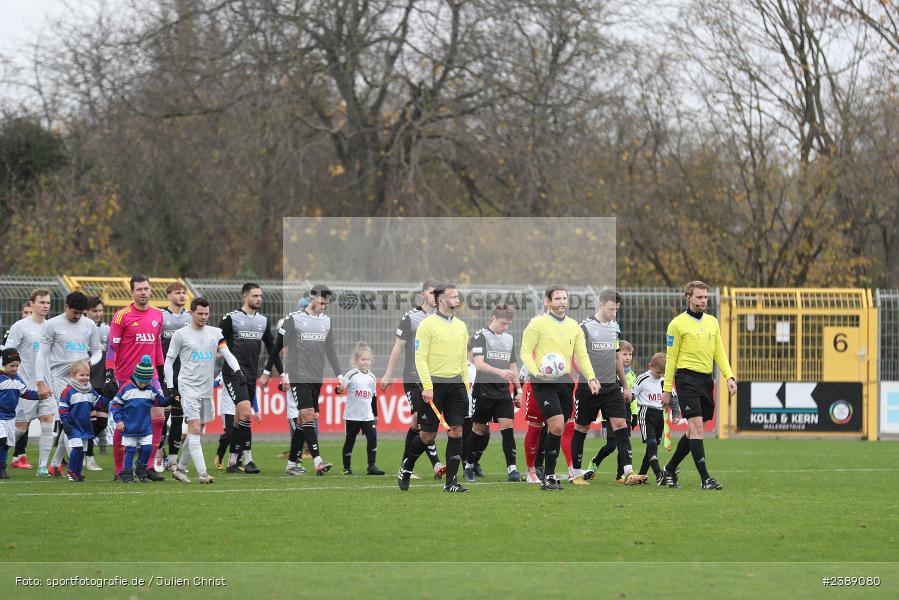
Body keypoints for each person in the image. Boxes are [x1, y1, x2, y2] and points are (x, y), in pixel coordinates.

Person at [519, 286, 600, 491]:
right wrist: (536, 372)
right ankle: (548, 477)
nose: (562, 302)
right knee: (555, 425)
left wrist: (590, 377)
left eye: (564, 298)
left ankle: (550, 476)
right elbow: (525, 352)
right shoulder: (537, 325)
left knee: (560, 427)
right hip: (543, 381)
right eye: (557, 298)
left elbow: (581, 355)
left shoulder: (574, 327)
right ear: (548, 301)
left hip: (565, 381)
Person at [659, 281, 737, 490]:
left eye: (705, 297)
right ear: (689, 298)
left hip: (705, 380)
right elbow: (671, 359)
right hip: (686, 379)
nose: (704, 300)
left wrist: (729, 376)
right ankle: (706, 479)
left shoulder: (712, 322)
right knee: (697, 427)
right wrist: (667, 389)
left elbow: (719, 351)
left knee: (693, 431)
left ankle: (669, 468)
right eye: (699, 297)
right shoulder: (677, 324)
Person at [398, 283, 471, 493]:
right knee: (427, 436)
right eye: (453, 297)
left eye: (458, 296)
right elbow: (419, 358)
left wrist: (465, 387)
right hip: (434, 386)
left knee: (456, 432)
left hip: (456, 385)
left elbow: (462, 360)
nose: (457, 300)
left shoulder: (461, 326)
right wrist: (428, 386)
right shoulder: (427, 325)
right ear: (440, 300)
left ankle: (451, 482)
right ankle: (407, 467)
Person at [166, 297, 243, 484]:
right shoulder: (181, 335)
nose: (203, 317)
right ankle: (202, 474)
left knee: (196, 432)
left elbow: (227, 353)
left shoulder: (215, 333)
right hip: (188, 389)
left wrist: (238, 370)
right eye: (199, 313)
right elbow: (169, 361)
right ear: (191, 313)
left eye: (206, 314)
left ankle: (181, 469)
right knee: (193, 428)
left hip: (206, 390)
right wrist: (171, 387)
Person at [267, 284, 341, 476]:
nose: (324, 306)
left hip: (316, 377)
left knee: (303, 420)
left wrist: (339, 375)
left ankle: (291, 464)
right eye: (322, 302)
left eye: (327, 303)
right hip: (297, 376)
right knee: (308, 415)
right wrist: (272, 372)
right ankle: (318, 461)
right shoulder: (294, 319)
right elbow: (276, 347)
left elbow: (330, 350)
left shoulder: (326, 321)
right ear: (313, 297)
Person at [572, 290, 644, 486]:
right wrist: (590, 378)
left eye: (617, 310)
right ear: (601, 305)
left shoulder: (614, 327)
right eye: (611, 309)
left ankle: (628, 472)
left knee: (621, 424)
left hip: (611, 386)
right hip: (589, 387)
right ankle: (576, 473)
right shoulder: (584, 327)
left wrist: (626, 386)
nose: (614, 313)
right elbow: (577, 357)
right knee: (582, 427)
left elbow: (616, 357)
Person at [103, 276, 166, 481]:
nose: (143, 292)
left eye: (146, 288)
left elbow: (156, 344)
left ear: (150, 290)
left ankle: (146, 467)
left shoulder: (158, 315)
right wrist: (109, 373)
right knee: (125, 424)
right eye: (139, 289)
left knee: (159, 418)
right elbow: (113, 347)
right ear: (132, 292)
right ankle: (121, 469)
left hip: (151, 376)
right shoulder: (122, 316)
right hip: (126, 377)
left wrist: (161, 372)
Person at [380, 280, 445, 479]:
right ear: (423, 294)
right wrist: (388, 374)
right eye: (432, 292)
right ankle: (436, 464)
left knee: (418, 425)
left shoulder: (443, 319)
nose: (435, 297)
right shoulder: (410, 317)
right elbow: (398, 347)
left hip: (435, 378)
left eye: (438, 294)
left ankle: (405, 465)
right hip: (413, 377)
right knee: (418, 416)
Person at [36, 292, 102, 477]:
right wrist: (40, 382)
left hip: (82, 378)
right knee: (69, 420)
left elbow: (97, 351)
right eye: (75, 312)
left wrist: (89, 363)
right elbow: (41, 354)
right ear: (67, 307)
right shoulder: (52, 325)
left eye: (81, 313)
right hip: (60, 378)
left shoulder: (89, 324)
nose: (78, 316)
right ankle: (74, 467)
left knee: (75, 421)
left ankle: (56, 464)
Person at [221, 283, 280, 474]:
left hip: (252, 374)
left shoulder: (263, 321)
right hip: (233, 373)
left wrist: (270, 372)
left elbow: (272, 349)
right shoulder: (231, 318)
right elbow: (217, 342)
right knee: (246, 413)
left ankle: (232, 461)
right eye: (255, 296)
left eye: (260, 296)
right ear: (244, 297)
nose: (259, 299)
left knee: (241, 416)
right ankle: (248, 460)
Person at [464, 304, 523, 482]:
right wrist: (500, 372)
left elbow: (512, 365)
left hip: (503, 391)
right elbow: (479, 363)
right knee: (479, 430)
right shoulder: (480, 336)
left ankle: (512, 470)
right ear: (493, 318)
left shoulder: (509, 339)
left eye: (508, 324)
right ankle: (468, 465)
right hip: (484, 390)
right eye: (503, 323)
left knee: (507, 428)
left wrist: (518, 389)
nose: (505, 327)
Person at [3, 289, 52, 470]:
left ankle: (43, 467)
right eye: (41, 302)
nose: (45, 305)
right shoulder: (20, 327)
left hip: (47, 385)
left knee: (47, 422)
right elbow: (8, 354)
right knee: (21, 428)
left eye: (47, 302)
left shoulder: (51, 327)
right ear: (31, 304)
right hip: (26, 386)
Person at [111, 356, 170, 483]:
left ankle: (141, 471)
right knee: (130, 450)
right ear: (135, 376)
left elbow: (159, 401)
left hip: (145, 427)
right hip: (129, 427)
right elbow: (116, 406)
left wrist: (171, 399)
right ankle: (127, 474)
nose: (143, 384)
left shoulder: (150, 389)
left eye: (146, 382)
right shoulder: (126, 388)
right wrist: (119, 420)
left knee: (147, 448)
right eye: (141, 381)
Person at [632, 352, 684, 482]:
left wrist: (676, 414)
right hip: (646, 413)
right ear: (650, 366)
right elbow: (632, 395)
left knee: (653, 446)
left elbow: (673, 398)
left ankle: (642, 475)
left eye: (663, 373)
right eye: (658, 373)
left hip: (661, 415)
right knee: (652, 443)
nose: (660, 376)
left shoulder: (664, 380)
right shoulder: (642, 378)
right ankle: (659, 474)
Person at [337, 343, 384, 476]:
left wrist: (376, 414)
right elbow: (341, 388)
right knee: (350, 441)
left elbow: (374, 397)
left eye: (368, 359)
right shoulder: (351, 374)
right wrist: (338, 389)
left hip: (367, 416)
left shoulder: (372, 377)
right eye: (363, 359)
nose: (365, 362)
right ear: (356, 360)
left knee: (373, 438)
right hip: (352, 415)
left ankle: (371, 466)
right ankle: (347, 468)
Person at [159, 282, 192, 473]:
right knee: (162, 417)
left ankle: (172, 459)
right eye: (178, 292)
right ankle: (158, 453)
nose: (182, 295)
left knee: (179, 418)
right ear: (169, 295)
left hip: (184, 375)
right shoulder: (160, 316)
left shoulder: (190, 317)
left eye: (184, 293)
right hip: (165, 374)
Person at [58, 360, 106, 481]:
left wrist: (111, 397)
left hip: (85, 425)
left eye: (87, 375)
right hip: (73, 426)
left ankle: (77, 473)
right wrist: (66, 423)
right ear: (73, 375)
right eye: (81, 375)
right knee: (77, 448)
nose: (85, 377)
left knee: (82, 451)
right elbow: (63, 409)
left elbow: (98, 402)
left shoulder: (90, 390)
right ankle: (71, 471)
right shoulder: (68, 391)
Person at [0, 349, 40, 480]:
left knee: (7, 444)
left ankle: (2, 468)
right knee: (1, 440)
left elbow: (26, 393)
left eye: (17, 366)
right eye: (12, 365)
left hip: (11, 417)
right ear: (4, 364)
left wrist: (40, 395)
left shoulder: (18, 380)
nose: (15, 368)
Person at [83, 297, 110, 471]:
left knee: (102, 422)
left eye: (100, 310)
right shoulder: (81, 329)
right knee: (88, 420)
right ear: (86, 311)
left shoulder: (107, 329)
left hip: (102, 382)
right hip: (85, 381)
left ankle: (81, 452)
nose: (99, 314)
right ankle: (89, 457)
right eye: (95, 310)